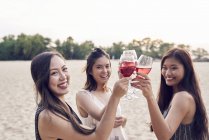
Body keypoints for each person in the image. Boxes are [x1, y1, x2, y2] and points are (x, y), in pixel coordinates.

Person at [30, 50, 130, 140]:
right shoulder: (48, 116)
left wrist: (116, 94)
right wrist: (115, 96)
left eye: (64, 69)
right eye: (54, 73)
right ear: (42, 79)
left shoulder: (59, 106)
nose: (63, 76)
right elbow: (98, 137)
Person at [132, 48, 209, 140]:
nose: (168, 73)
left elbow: (164, 136)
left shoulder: (183, 97)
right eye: (164, 68)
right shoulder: (176, 94)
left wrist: (150, 97)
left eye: (174, 68)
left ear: (187, 69)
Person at [76, 48, 127, 140]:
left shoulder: (111, 91)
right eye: (99, 67)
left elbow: (118, 122)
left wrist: (123, 120)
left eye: (107, 66)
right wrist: (116, 95)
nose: (105, 71)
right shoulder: (82, 95)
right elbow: (100, 116)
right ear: (90, 71)